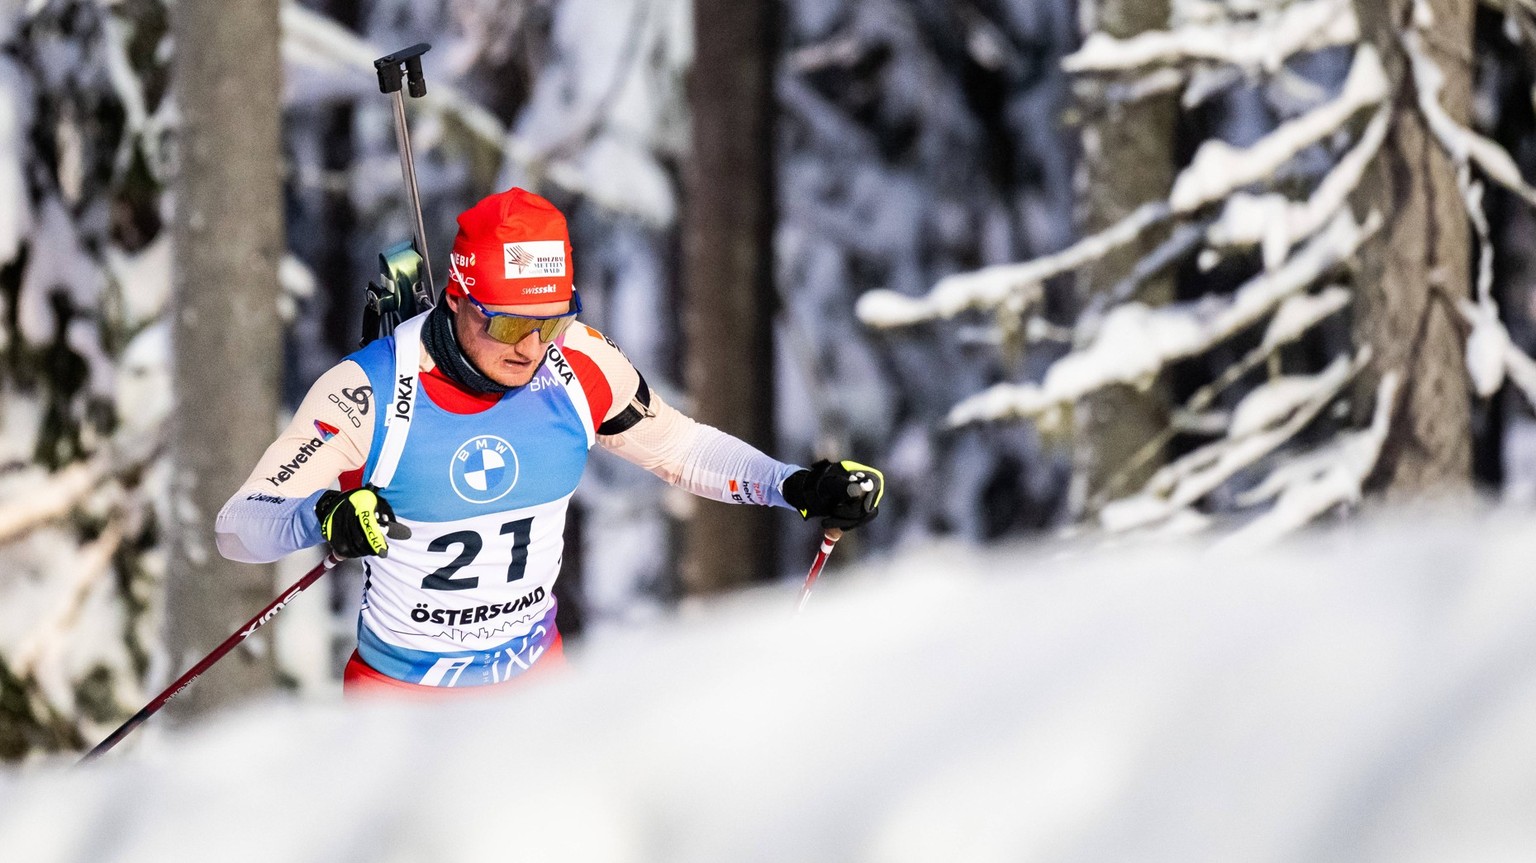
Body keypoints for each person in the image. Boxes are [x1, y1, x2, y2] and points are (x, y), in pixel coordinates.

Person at [215, 187, 883, 695]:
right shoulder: (368, 391)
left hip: (534, 688)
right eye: (508, 327)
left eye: (551, 320)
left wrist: (796, 483)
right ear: (457, 299)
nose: (531, 348)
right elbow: (238, 527)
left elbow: (678, 448)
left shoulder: (577, 362)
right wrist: (325, 517)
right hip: (403, 704)